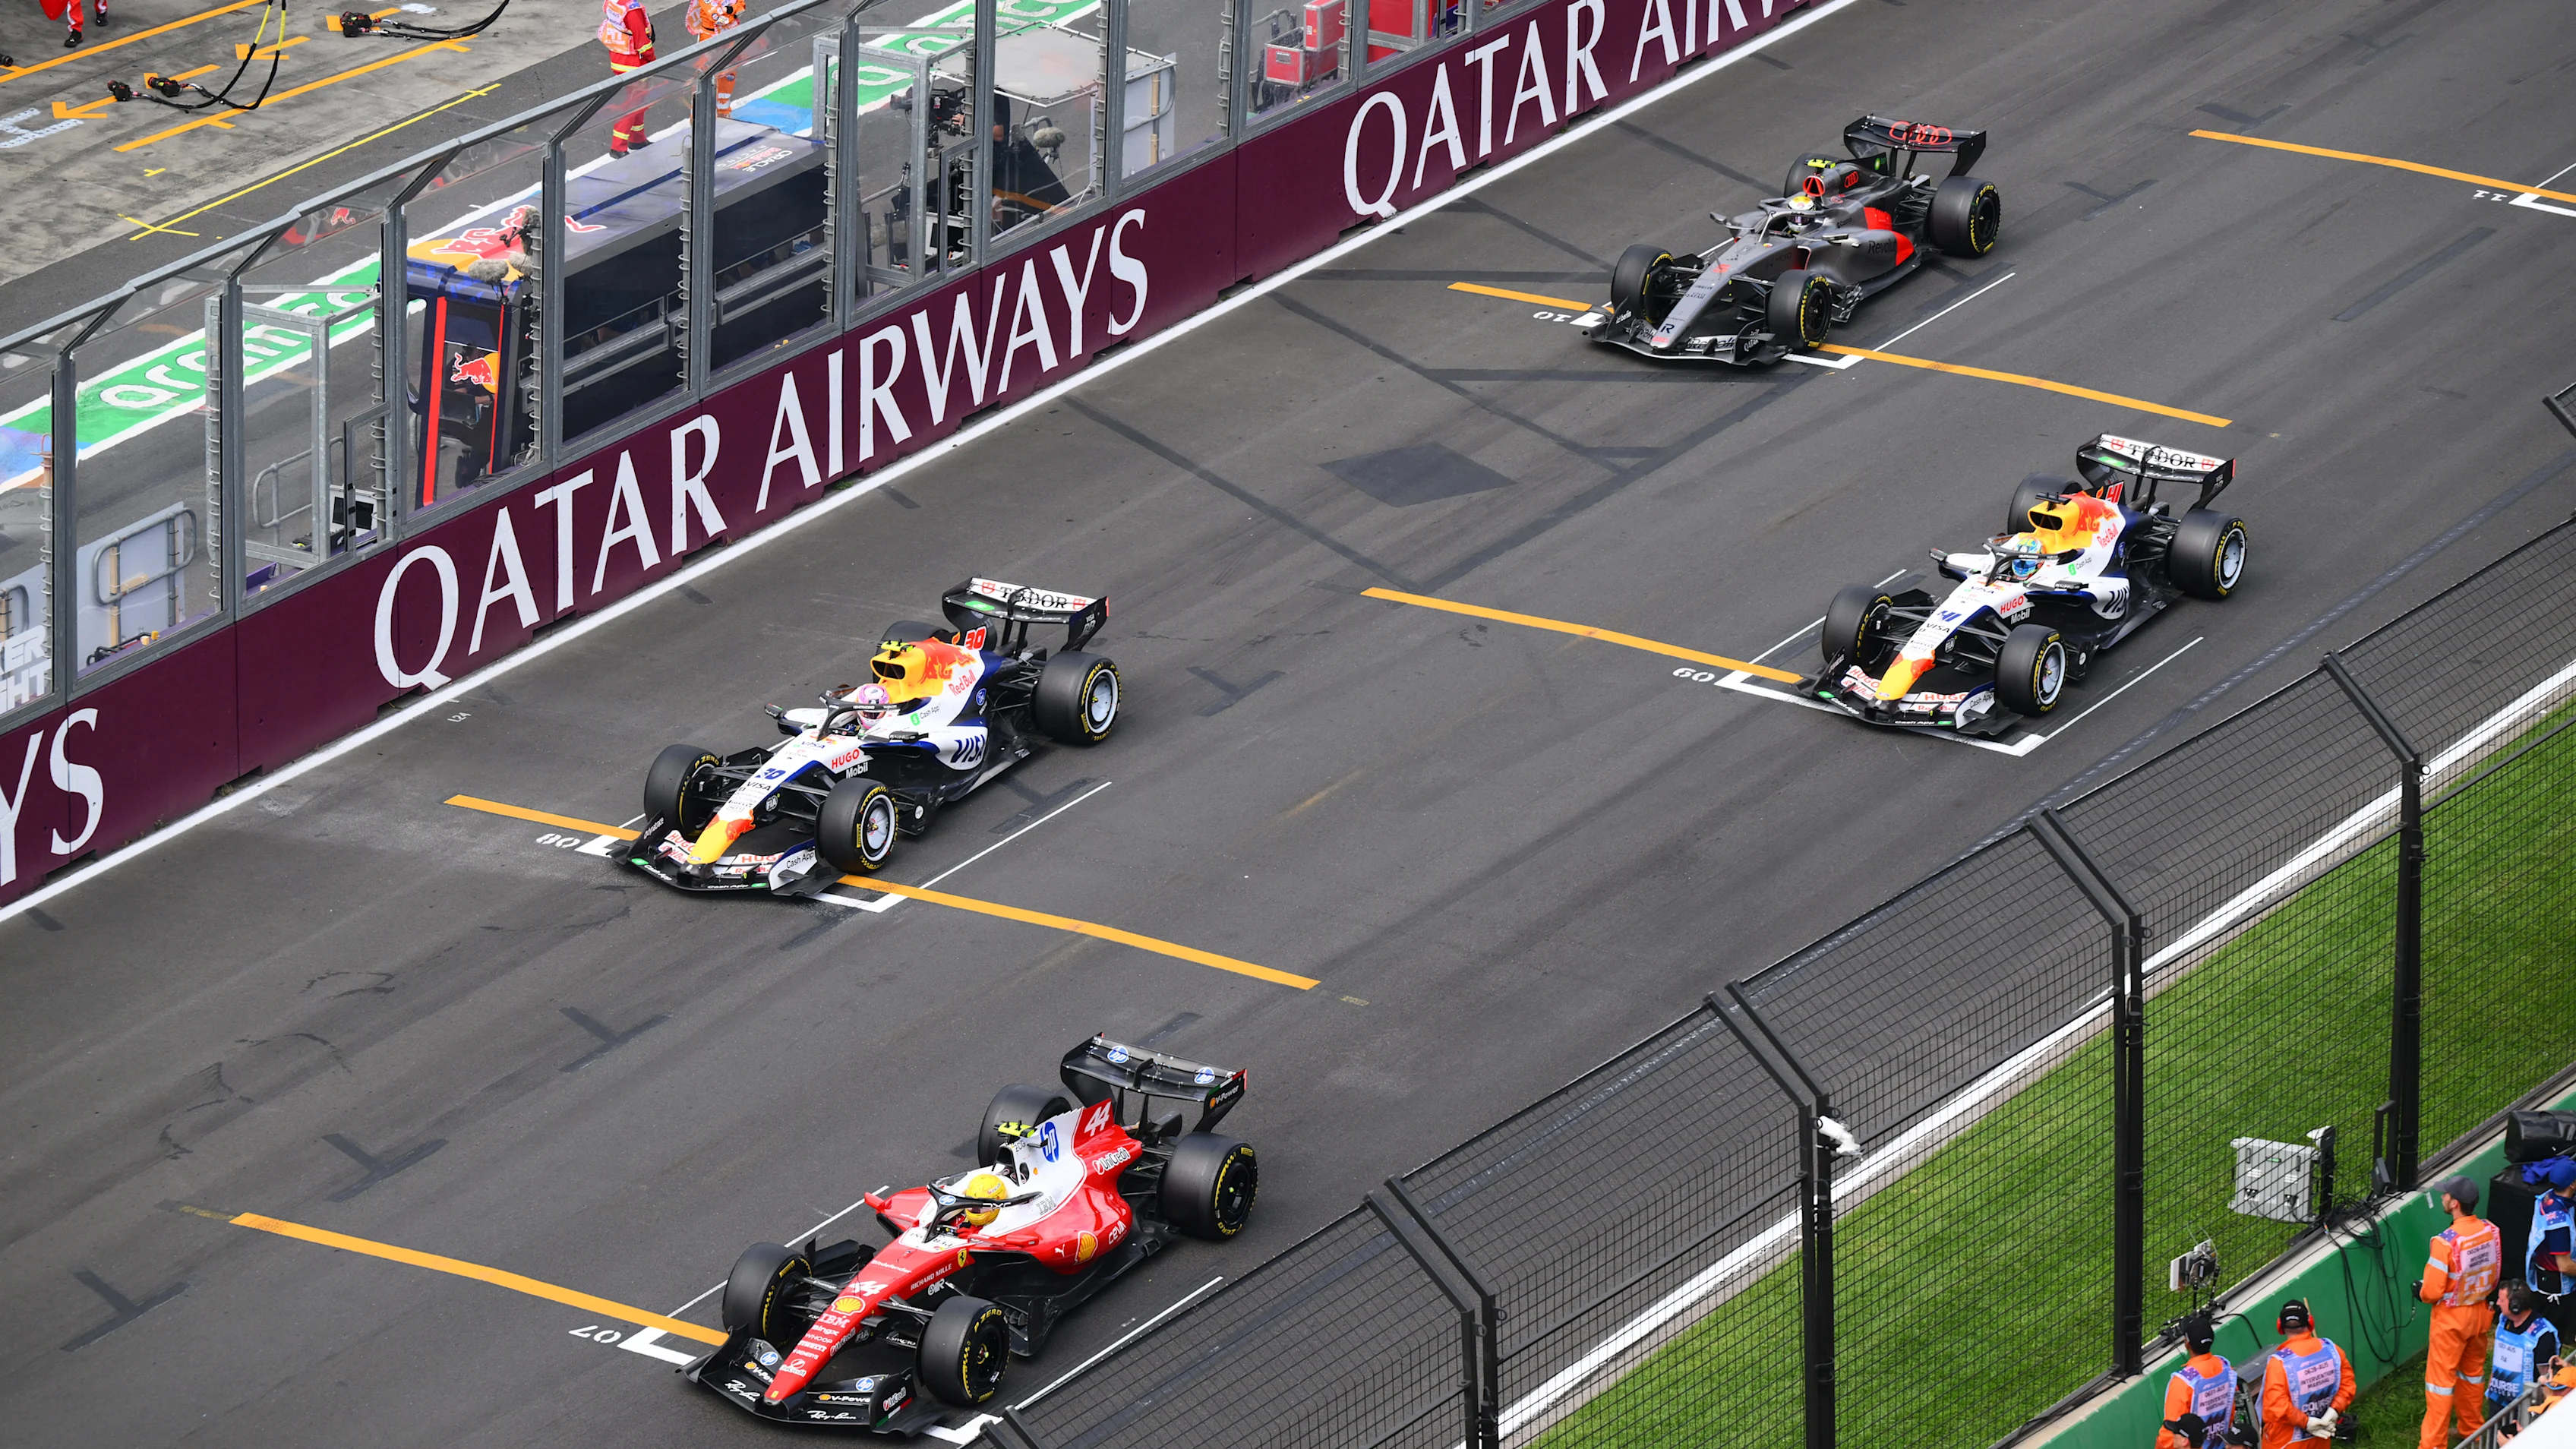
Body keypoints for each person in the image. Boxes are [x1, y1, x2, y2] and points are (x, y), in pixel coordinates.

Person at [2420, 1174, 2505, 1448]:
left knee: (2440, 1385)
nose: (2443, 1197)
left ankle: (2433, 1444)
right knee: (2472, 1375)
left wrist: (2421, 1291)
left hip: (2451, 1321)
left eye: (2445, 1194)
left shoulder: (2444, 1243)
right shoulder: (2490, 1230)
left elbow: (2432, 1292)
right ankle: (2473, 1431)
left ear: (2454, 1203)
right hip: (2480, 1313)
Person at [2262, 1299, 2356, 1449]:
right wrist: (2334, 1410)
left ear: (2280, 1326)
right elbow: (2348, 1384)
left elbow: (2276, 1404)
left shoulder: (2279, 1363)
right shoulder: (2332, 1350)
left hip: (2285, 1441)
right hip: (2321, 1437)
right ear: (2310, 1322)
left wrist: (2306, 1422)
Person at [2161, 1312, 2235, 1449]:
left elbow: (2170, 1435)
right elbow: (2230, 1413)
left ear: (2187, 1343)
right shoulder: (2225, 1367)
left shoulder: (2182, 1383)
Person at [2491, 1282, 2563, 1421]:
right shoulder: (2503, 1321)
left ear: (2515, 1306)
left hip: (2524, 1406)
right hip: (2497, 1399)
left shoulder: (2543, 1334)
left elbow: (2546, 1376)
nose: (2498, 1303)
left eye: (2502, 1300)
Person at [596, 0, 657, 156]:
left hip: (620, 58)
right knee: (632, 105)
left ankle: (637, 138)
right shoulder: (632, 10)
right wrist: (653, 60)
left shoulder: (613, 3)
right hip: (634, 62)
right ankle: (618, 147)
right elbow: (642, 43)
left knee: (638, 101)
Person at [2523, 1160, 2576, 1311]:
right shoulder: (2559, 1223)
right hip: (2557, 1290)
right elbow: (2565, 1266)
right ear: (2572, 1185)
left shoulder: (2548, 1197)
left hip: (2543, 1278)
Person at [682, 0, 745, 118]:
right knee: (703, 75)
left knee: (728, 74)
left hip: (728, 37)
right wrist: (732, 13)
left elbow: (741, 6)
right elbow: (718, 17)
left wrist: (729, 10)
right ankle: (698, 117)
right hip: (709, 39)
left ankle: (723, 111)